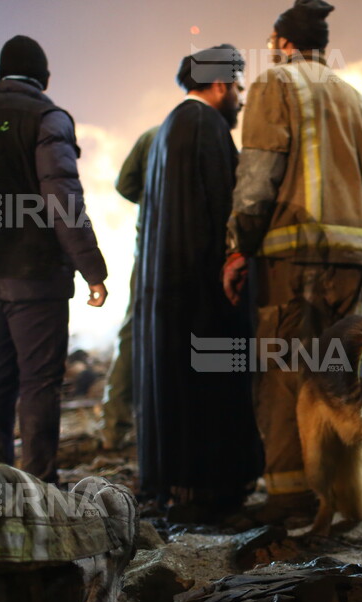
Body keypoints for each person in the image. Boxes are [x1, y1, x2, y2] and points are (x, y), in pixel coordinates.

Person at [222, 0, 362, 523]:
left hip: (295, 254)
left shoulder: (277, 85)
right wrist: (361, 244)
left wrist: (239, 244)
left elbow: (258, 175)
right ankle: (346, 496)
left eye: (272, 40)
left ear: (285, 43)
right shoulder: (356, 98)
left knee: (287, 371)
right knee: (338, 375)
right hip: (352, 254)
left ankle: (292, 496)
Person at [0, 35, 108, 484]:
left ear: (0, 77)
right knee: (39, 382)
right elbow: (63, 198)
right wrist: (93, 269)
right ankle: (39, 486)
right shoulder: (47, 118)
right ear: (44, 78)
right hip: (35, 278)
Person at [133, 46, 263, 519]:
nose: (242, 99)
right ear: (221, 85)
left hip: (167, 293)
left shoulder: (168, 127)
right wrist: (235, 261)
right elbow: (225, 209)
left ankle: (177, 486)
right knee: (211, 389)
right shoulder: (208, 127)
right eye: (239, 88)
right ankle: (214, 488)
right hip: (206, 295)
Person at [100, 125, 159, 452]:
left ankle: (114, 428)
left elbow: (125, 184)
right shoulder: (212, 132)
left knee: (134, 331)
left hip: (149, 251)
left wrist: (151, 204)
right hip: (195, 254)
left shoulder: (151, 135)